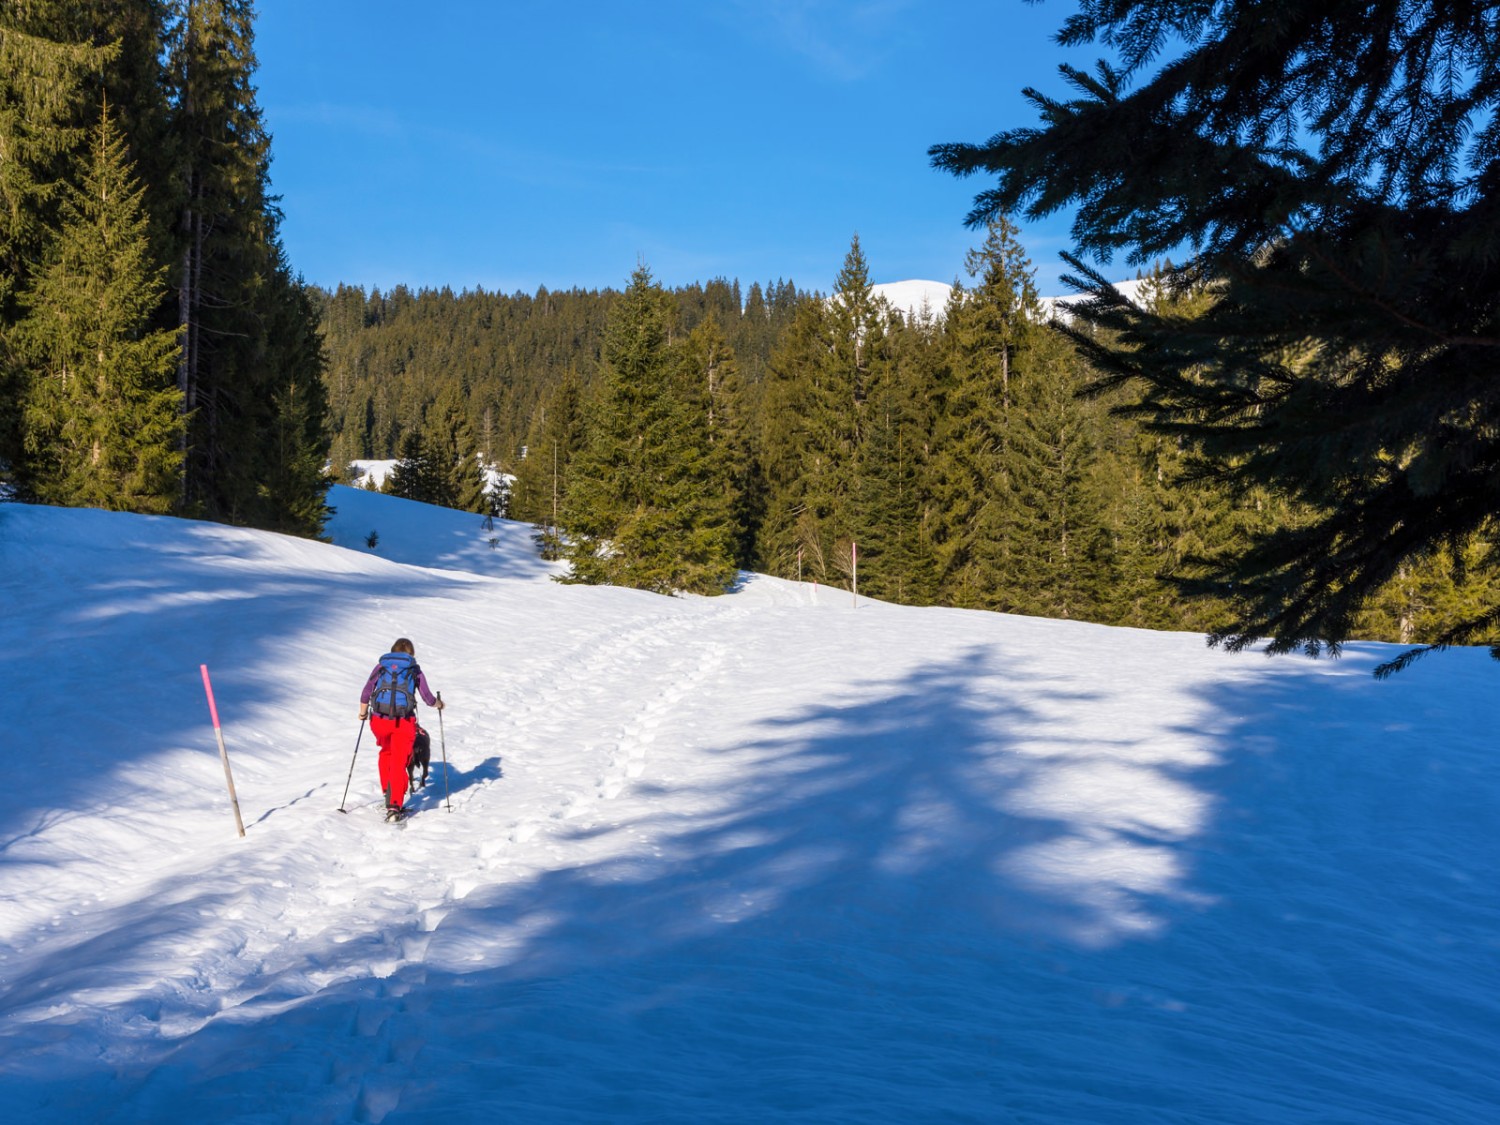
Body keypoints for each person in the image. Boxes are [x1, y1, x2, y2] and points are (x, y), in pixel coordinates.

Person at [358, 637, 444, 821]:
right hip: (403, 722)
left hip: (379, 721)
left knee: (386, 752)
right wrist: (439, 704)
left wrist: (362, 713)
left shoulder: (381, 666)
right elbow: (428, 698)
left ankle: (386, 792)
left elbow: (366, 691)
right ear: (411, 654)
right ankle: (394, 806)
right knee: (399, 761)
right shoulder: (415, 670)